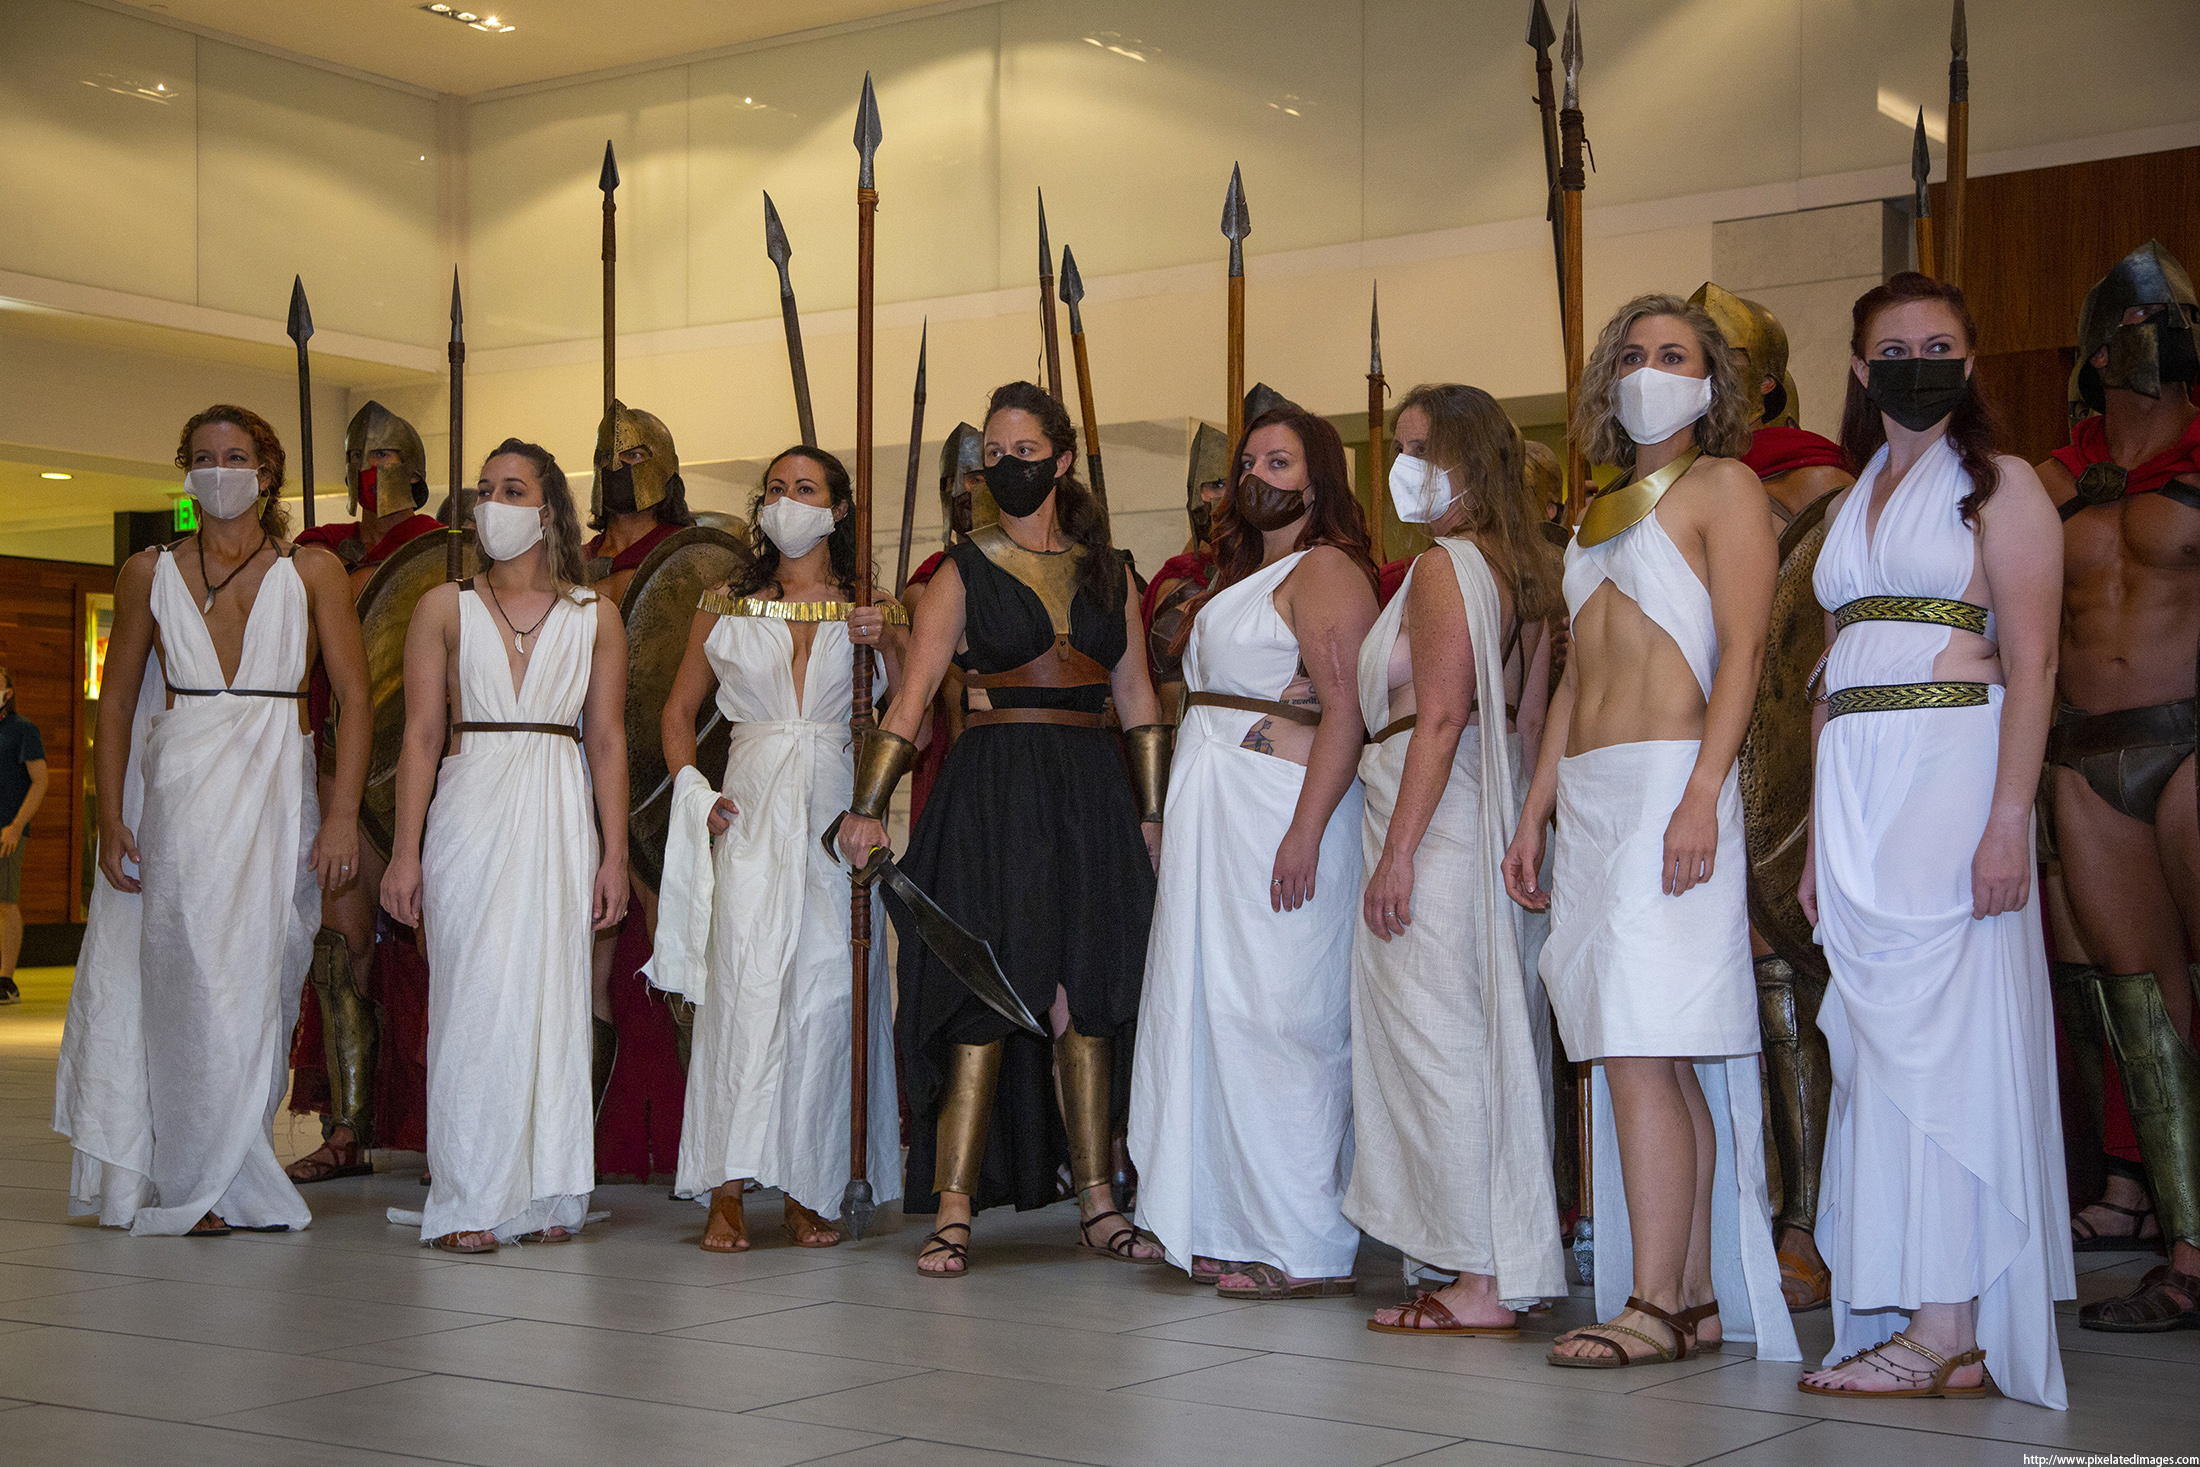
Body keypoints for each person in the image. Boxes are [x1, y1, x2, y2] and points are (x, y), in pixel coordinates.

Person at [1504, 295, 1796, 1366]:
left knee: (1638, 1049)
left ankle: (1656, 1301)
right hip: (1593, 797)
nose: (1649, 371)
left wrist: (1703, 793)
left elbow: (1747, 651)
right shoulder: (1596, 511)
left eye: (1673, 355)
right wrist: (1535, 807)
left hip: (1673, 782)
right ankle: (1693, 1298)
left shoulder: (1726, 487)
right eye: (1632, 354)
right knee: (1646, 1053)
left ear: (1712, 381)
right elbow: (1576, 678)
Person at [1797, 272, 2073, 1404]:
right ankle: (1918, 1315)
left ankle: (1948, 1323)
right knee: (1874, 1048)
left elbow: (2035, 664)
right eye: (1895, 349)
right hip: (1855, 783)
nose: (1918, 364)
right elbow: (1828, 674)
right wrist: (1812, 848)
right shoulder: (1850, 498)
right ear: (1860, 371)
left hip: (1953, 764)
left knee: (1939, 1041)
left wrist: (2009, 820)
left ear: (1970, 359)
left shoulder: (2002, 486)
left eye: (1940, 344)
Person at [833, 381, 1166, 1277]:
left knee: (1083, 989)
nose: (1007, 466)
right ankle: (953, 1209)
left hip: (1091, 791)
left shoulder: (1111, 570)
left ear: (1062, 460)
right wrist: (867, 805)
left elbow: (1138, 699)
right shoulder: (960, 571)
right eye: (994, 454)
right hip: (994, 791)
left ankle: (1098, 1201)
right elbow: (910, 701)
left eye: (1025, 451)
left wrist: (1152, 814)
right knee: (981, 987)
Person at [56, 404, 370, 1235]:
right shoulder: (147, 572)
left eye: (235, 456)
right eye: (203, 456)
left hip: (276, 793)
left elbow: (355, 696)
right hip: (180, 797)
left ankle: (236, 1167)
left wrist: (343, 814)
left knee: (262, 985)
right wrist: (109, 815)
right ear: (186, 472)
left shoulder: (312, 572)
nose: (218, 469)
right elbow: (116, 700)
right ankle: (193, 1177)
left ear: (266, 473)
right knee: (187, 982)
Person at [1130, 404, 1380, 1299]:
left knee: (1285, 1019)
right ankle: (1225, 1221)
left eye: (1279, 462)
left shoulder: (1327, 570)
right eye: (1249, 463)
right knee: (1218, 1015)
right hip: (1218, 820)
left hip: (1280, 817)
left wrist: (1306, 829)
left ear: (1317, 480)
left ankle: (1302, 1239)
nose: (1257, 477)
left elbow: (1347, 711)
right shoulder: (1242, 576)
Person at [1349, 385, 1566, 1333]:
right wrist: (1527, 829)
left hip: (1433, 813)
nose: (1403, 467)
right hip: (1493, 803)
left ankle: (1478, 1273)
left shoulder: (1444, 568)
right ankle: (1486, 1255)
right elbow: (1527, 723)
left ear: (1469, 460)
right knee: (1484, 1034)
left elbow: (1438, 718)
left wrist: (1398, 852)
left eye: (1419, 449)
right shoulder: (1528, 568)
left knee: (1439, 1040)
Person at [655, 445, 905, 1250]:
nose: (785, 500)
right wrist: (695, 792)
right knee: (744, 986)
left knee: (828, 994)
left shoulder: (871, 607)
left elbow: (916, 715)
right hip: (753, 803)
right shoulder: (726, 603)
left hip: (837, 807)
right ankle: (726, 1187)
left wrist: (888, 641)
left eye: (804, 488)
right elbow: (676, 712)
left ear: (839, 509)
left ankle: (810, 1183)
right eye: (774, 488)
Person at [382, 439, 629, 1252]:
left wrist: (614, 854)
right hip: (470, 809)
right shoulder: (442, 608)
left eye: (512, 489)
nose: (493, 502)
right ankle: (469, 1194)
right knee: (474, 1000)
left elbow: (608, 739)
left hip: (558, 812)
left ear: (549, 509)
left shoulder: (595, 616)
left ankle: (549, 1189)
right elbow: (420, 736)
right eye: (485, 489)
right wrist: (406, 852)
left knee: (553, 999)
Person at [2034, 239, 2200, 1330]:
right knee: (2142, 1006)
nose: (2156, 336)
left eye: (2171, 317)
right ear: (2096, 353)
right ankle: (2188, 1252)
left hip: (2191, 737)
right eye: (2134, 323)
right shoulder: (2049, 480)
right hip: (2088, 757)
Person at [1692, 282, 1858, 1313]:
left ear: (1762, 384)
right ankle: (1735, 1211)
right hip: (1675, 758)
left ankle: (1808, 1223)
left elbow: (1816, 643)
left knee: (1787, 974)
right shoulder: (1658, 490)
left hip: (1782, 760)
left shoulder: (1821, 484)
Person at [286, 400, 442, 1186]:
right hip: (335, 758)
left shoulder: (445, 552)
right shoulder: (317, 554)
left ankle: (448, 1122)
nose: (370, 472)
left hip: (425, 766)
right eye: (360, 459)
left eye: (384, 458)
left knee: (437, 941)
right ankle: (347, 1128)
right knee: (339, 942)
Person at [0, 666, 47, 1005]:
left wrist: (16, 825)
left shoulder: (23, 730)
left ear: (8, 692)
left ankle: (6, 980)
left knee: (5, 902)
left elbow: (41, 780)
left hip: (7, 829)